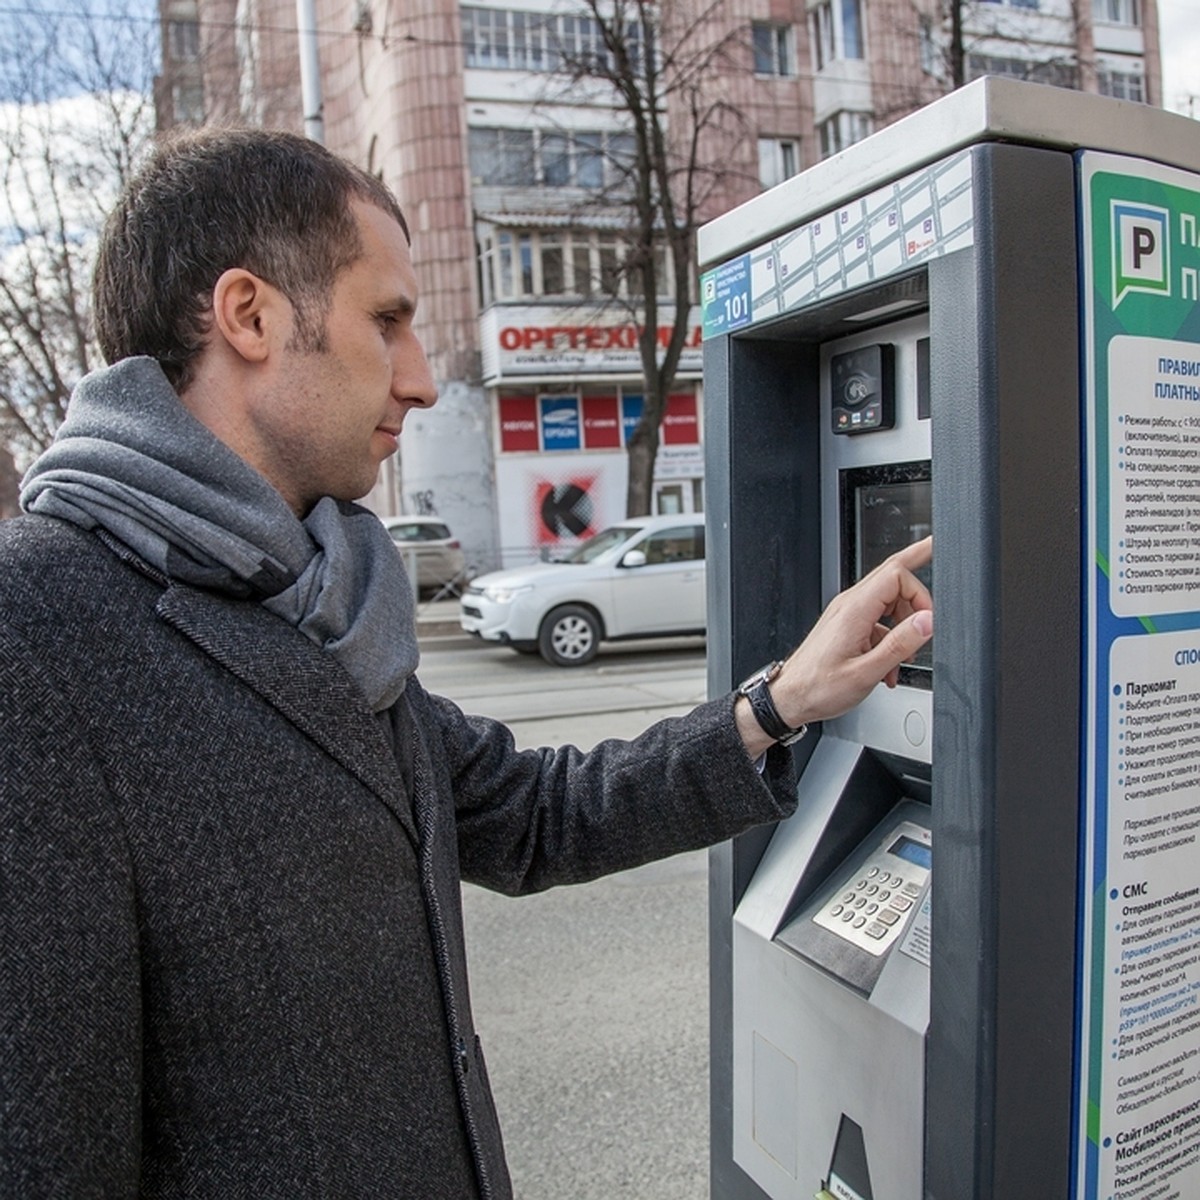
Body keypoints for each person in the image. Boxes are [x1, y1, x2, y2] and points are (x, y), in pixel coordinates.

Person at [0, 128, 932, 1198]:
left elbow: (534, 816)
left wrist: (781, 702)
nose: (423, 381)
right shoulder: (40, 627)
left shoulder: (330, 598)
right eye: (387, 321)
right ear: (249, 316)